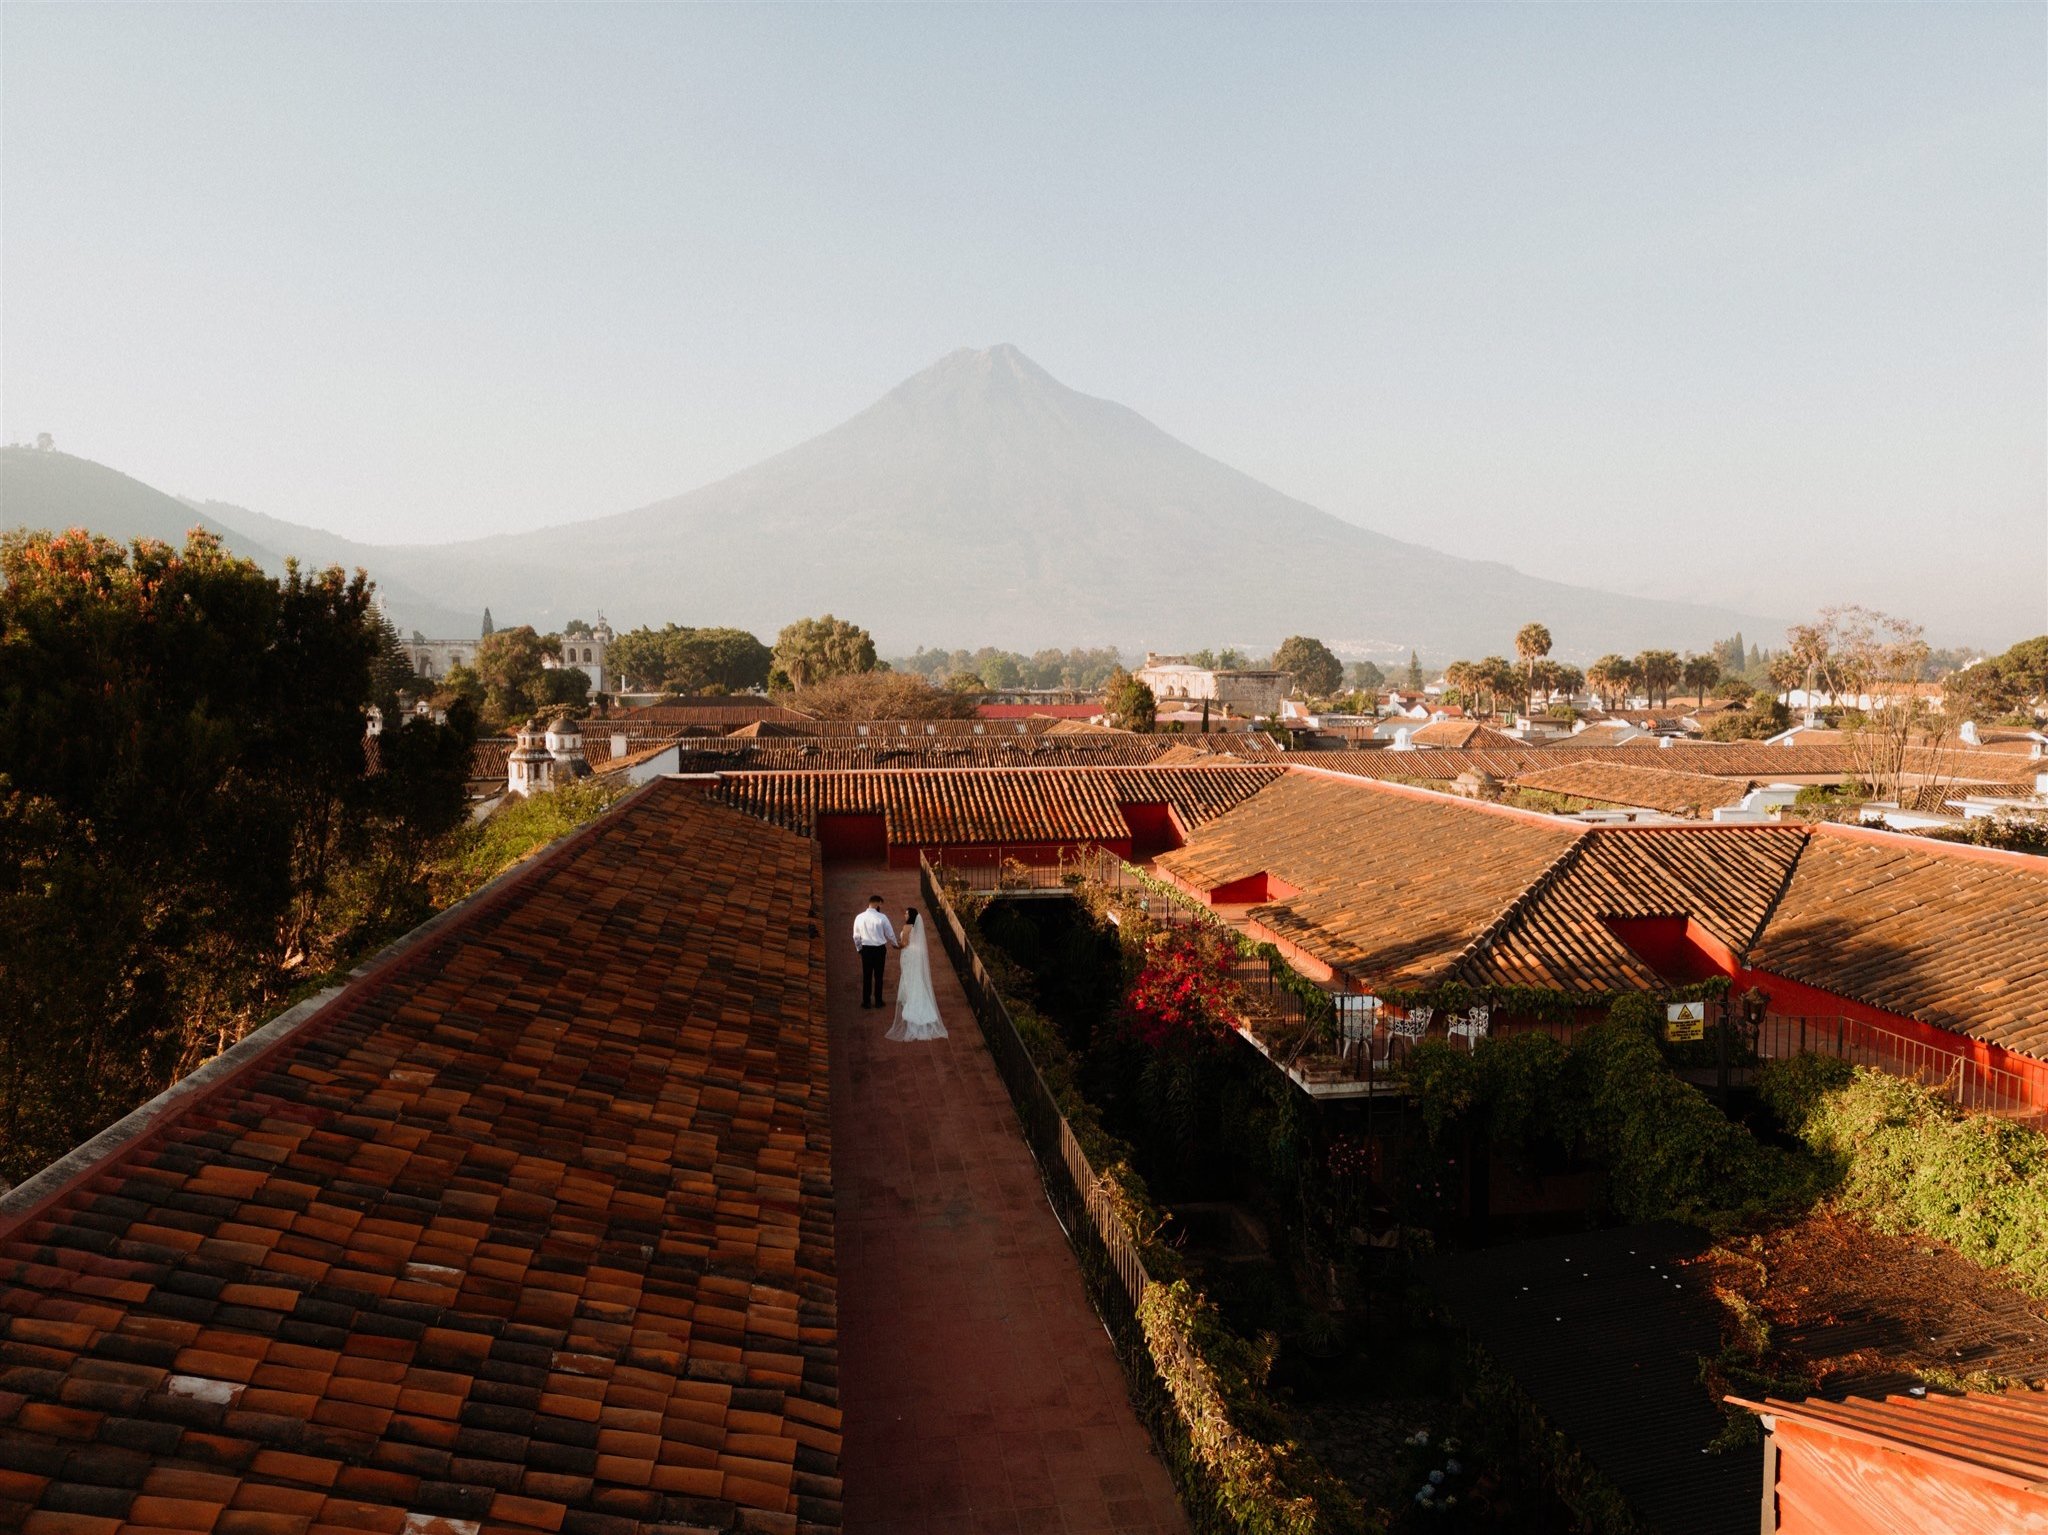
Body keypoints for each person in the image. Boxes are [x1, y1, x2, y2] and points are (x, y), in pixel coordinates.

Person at [886, 908, 947, 1042]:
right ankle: (920, 999)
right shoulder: (916, 927)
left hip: (909, 954)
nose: (904, 914)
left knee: (908, 977)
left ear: (911, 915)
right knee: (916, 977)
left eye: (906, 913)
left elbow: (905, 943)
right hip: (917, 954)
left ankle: (911, 1000)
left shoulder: (907, 926)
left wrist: (896, 946)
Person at [853, 894, 897, 1009]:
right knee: (879, 976)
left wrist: (859, 949)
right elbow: (890, 933)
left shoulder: (859, 917)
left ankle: (866, 1001)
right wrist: (895, 944)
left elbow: (856, 936)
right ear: (877, 903)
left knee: (867, 975)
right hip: (879, 949)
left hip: (866, 949)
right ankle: (878, 1001)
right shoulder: (882, 917)